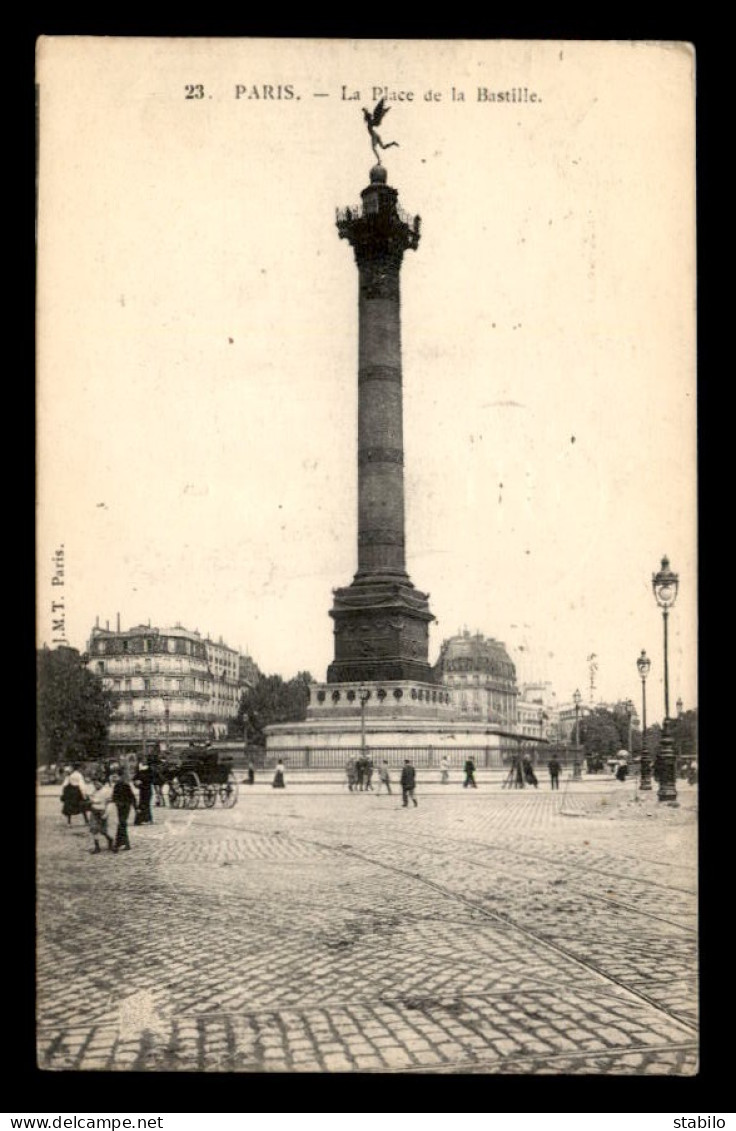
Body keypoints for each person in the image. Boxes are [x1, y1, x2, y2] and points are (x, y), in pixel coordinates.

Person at [111, 771, 137, 852]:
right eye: (113, 777)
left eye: (115, 777)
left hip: (125, 807)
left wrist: (136, 808)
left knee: (122, 823)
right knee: (122, 824)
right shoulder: (116, 786)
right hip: (120, 807)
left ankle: (119, 844)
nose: (114, 778)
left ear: (120, 777)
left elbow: (131, 796)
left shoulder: (125, 785)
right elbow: (114, 797)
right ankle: (125, 843)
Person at [88, 776, 114, 854]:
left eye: (97, 783)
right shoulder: (94, 791)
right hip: (94, 811)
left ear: (101, 783)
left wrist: (106, 813)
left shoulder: (107, 791)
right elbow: (91, 799)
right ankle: (97, 847)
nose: (95, 785)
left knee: (103, 830)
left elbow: (109, 803)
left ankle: (110, 840)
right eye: (94, 784)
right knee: (94, 828)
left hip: (102, 811)